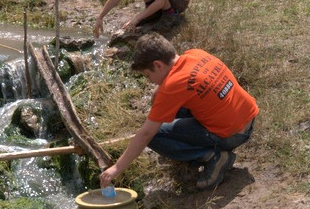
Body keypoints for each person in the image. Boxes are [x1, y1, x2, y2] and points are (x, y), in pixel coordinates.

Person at [100, 33, 259, 190]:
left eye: (148, 76)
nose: (150, 81)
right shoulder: (195, 54)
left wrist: (116, 168)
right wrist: (159, 93)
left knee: (155, 135)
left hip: (232, 135)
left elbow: (146, 134)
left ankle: (213, 157)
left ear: (158, 65)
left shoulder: (172, 86)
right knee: (175, 110)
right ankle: (207, 148)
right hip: (248, 120)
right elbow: (174, 85)